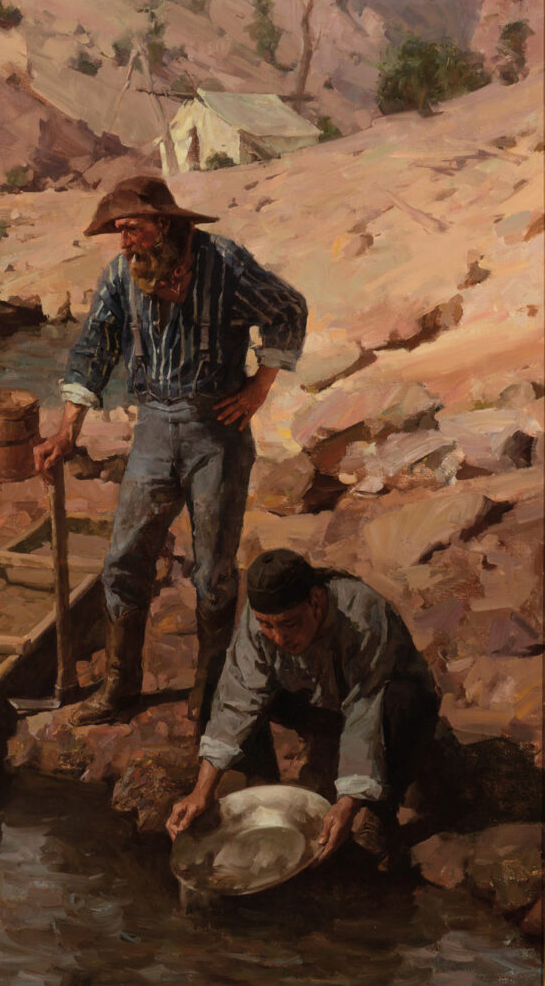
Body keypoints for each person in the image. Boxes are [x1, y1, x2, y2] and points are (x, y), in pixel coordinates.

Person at [34, 175, 307, 726]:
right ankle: (120, 687)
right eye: (118, 231)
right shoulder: (120, 274)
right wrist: (68, 428)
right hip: (153, 430)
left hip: (217, 434)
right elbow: (95, 346)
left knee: (214, 571)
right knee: (124, 560)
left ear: (164, 224)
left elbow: (288, 308)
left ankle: (209, 690)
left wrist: (258, 389)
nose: (123, 242)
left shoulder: (223, 262)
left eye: (132, 229)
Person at [166, 549, 440, 864]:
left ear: (315, 601)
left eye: (290, 624)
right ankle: (258, 789)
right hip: (320, 702)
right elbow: (238, 696)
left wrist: (347, 804)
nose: (279, 637)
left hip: (387, 707)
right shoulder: (260, 622)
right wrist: (202, 790)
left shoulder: (363, 615)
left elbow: (366, 710)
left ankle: (380, 813)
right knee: (218, 673)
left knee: (400, 701)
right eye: (267, 625)